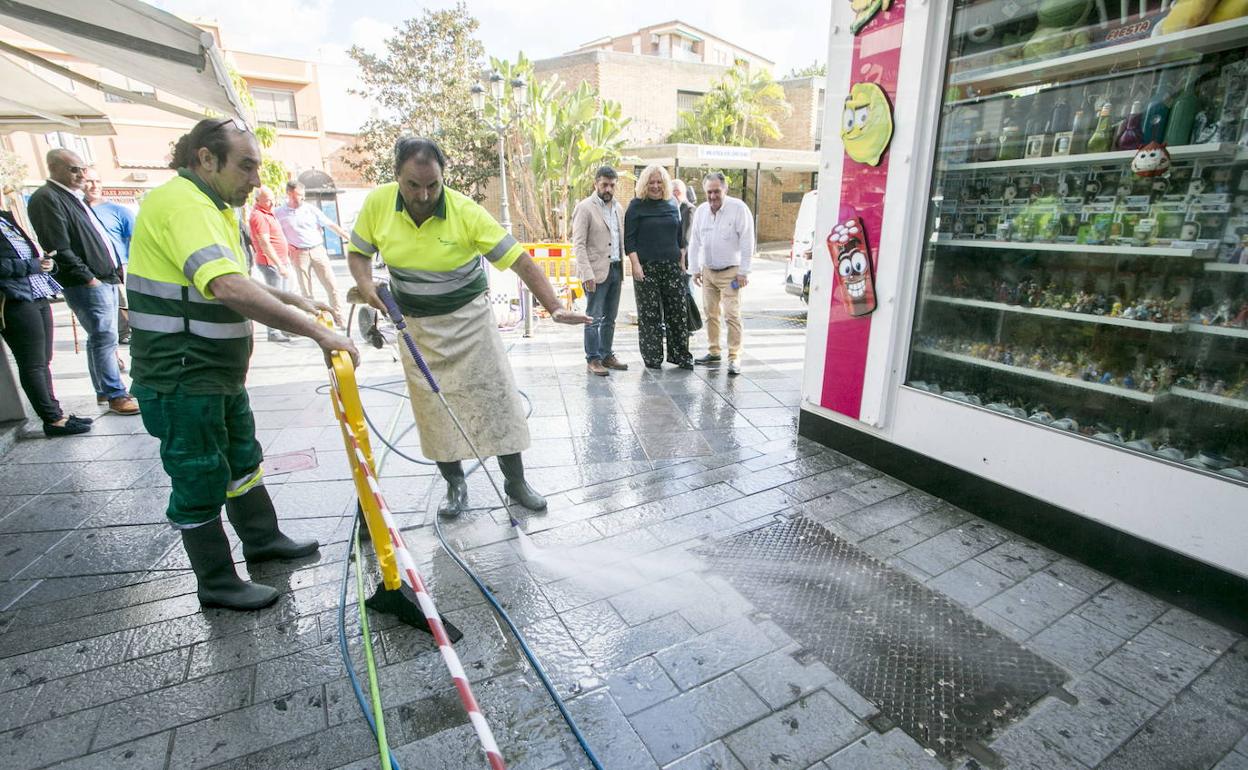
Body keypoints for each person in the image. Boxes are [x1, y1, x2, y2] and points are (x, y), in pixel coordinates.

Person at [128, 117, 358, 611]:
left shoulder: (207, 203)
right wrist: (317, 331)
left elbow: (232, 276)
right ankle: (216, 581)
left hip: (213, 373)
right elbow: (227, 287)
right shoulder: (184, 204)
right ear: (205, 158)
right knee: (198, 472)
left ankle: (261, 538)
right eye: (247, 166)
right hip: (183, 375)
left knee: (241, 459)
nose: (256, 179)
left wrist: (289, 297)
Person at [347, 137, 590, 517]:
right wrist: (365, 285)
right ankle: (455, 486)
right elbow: (359, 253)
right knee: (435, 413)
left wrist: (555, 307)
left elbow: (520, 261)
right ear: (397, 176)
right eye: (413, 185)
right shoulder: (378, 204)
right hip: (417, 329)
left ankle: (515, 481)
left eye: (433, 185)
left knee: (498, 403)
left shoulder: (465, 211)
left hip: (470, 324)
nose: (424, 195)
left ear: (443, 178)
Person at [28, 149, 139, 415]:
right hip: (88, 281)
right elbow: (58, 246)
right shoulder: (47, 198)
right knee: (104, 336)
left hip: (103, 277)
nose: (81, 175)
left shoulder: (72, 197)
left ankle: (106, 390)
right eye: (74, 169)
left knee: (103, 337)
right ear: (54, 167)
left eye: (82, 169)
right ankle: (115, 394)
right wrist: (87, 278)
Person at [0, 210, 92, 437]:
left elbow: (30, 254)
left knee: (43, 360)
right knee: (32, 363)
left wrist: (48, 264)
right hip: (14, 299)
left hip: (37, 293)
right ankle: (51, 418)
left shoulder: (5, 218)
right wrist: (32, 266)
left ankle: (56, 413)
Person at [625, 164, 692, 370]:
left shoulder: (672, 203)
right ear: (645, 184)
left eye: (659, 182)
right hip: (647, 268)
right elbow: (630, 240)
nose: (655, 186)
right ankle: (652, 358)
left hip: (671, 266)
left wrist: (681, 261)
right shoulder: (636, 206)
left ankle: (680, 356)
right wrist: (636, 265)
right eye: (651, 182)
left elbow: (679, 236)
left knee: (677, 313)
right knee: (650, 315)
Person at [688, 171, 755, 376]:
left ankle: (734, 356)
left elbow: (747, 241)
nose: (712, 196)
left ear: (725, 189)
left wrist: (744, 271)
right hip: (708, 272)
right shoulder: (701, 211)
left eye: (717, 191)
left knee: (732, 314)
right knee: (710, 313)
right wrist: (694, 269)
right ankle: (714, 351)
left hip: (731, 274)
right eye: (709, 192)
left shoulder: (738, 209)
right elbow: (695, 241)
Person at [572, 165, 629, 376]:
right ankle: (593, 359)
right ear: (596, 183)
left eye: (612, 185)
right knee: (593, 317)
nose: (608, 189)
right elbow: (578, 244)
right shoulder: (585, 207)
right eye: (604, 184)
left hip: (615, 269)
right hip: (595, 272)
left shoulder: (618, 208)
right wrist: (586, 274)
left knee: (610, 318)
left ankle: (606, 355)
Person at [276, 181, 349, 322]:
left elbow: (330, 224)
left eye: (304, 195)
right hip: (298, 254)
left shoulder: (310, 209)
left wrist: (348, 238)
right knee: (306, 291)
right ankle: (314, 320)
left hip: (317, 250)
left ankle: (338, 317)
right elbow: (276, 233)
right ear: (290, 194)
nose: (302, 198)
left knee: (331, 285)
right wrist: (285, 248)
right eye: (299, 195)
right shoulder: (279, 213)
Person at [82, 168, 135, 345]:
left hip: (119, 267)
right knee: (103, 319)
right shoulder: (78, 211)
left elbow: (137, 239)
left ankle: (127, 333)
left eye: (97, 181)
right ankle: (117, 341)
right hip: (90, 271)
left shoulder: (119, 211)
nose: (94, 186)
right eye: (89, 181)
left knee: (124, 305)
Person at [248, 186, 293, 342]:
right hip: (271, 264)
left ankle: (284, 328)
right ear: (258, 200)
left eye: (273, 198)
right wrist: (279, 264)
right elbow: (265, 244)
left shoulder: (269, 213)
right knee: (276, 300)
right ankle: (273, 332)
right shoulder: (258, 216)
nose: (272, 202)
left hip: (281, 261)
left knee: (285, 298)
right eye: (267, 199)